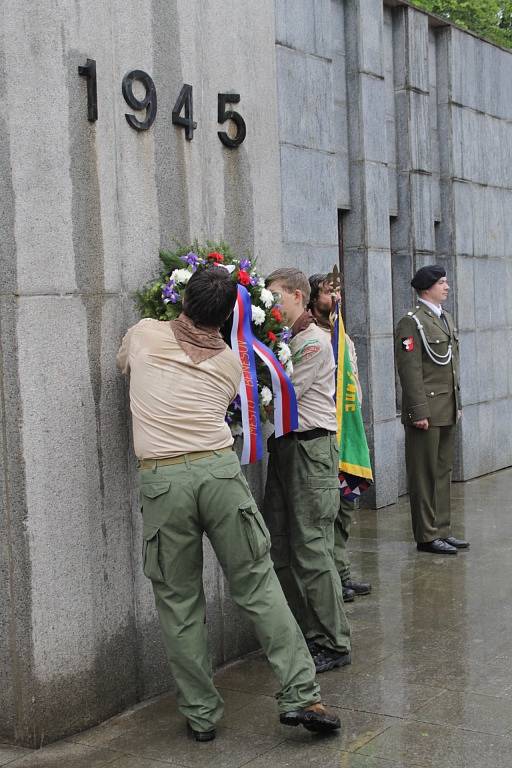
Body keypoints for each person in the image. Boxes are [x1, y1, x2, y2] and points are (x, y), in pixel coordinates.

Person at [117, 266, 341, 742]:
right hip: (220, 474)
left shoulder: (143, 334)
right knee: (259, 586)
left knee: (179, 602)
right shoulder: (229, 364)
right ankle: (302, 694)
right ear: (226, 320)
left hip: (163, 480)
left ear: (181, 301)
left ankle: (201, 716)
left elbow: (124, 366)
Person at [263, 267, 351, 674]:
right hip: (284, 448)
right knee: (280, 547)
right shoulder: (288, 340)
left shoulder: (313, 342)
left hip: (310, 450)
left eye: (277, 298)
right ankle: (306, 632)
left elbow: (283, 396)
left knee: (312, 549)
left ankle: (333, 641)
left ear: (298, 295)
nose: (272, 307)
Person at [394, 264, 469, 555]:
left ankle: (442, 528)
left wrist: (457, 405)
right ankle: (426, 535)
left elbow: (451, 368)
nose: (446, 287)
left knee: (441, 471)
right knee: (423, 473)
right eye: (442, 283)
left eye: (446, 282)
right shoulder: (411, 322)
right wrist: (418, 411)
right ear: (426, 288)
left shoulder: (444, 318)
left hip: (446, 408)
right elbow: (410, 371)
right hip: (426, 410)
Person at [308, 274, 371, 602]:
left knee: (346, 508)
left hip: (349, 432)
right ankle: (335, 577)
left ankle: (343, 570)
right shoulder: (311, 336)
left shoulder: (342, 336)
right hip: (325, 432)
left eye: (338, 291)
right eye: (328, 291)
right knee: (328, 512)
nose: (335, 297)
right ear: (313, 296)